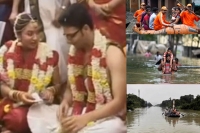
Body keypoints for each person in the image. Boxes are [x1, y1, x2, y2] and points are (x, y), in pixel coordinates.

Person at [57, 3, 126, 133]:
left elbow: (119, 102)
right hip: (81, 111)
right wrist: (65, 102)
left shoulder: (112, 52)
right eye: (66, 36)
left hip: (107, 117)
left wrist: (85, 119)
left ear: (86, 29)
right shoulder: (75, 52)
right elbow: (69, 89)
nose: (68, 41)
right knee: (40, 113)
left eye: (72, 35)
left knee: (113, 128)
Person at [0, 12, 61, 133]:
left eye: (37, 32)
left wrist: (50, 91)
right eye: (29, 34)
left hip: (35, 106)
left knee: (18, 119)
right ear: (19, 35)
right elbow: (1, 84)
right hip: (10, 101)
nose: (35, 38)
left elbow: (58, 84)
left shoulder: (49, 54)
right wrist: (18, 95)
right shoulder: (6, 52)